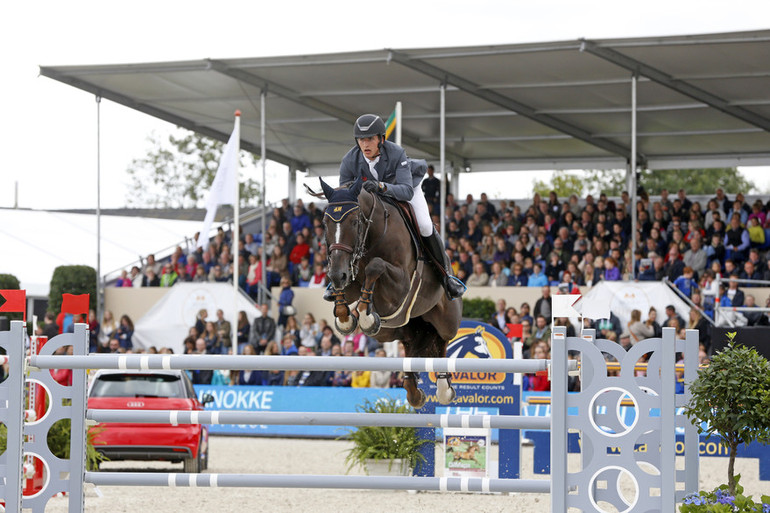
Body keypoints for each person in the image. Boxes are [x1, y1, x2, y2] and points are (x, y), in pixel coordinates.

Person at [337, 114, 465, 299]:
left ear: (381, 139)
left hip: (405, 188)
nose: (365, 145)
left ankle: (446, 276)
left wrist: (381, 186)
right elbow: (347, 196)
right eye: (361, 140)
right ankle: (337, 280)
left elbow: (406, 191)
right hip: (374, 200)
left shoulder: (396, 153)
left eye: (370, 139)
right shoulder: (349, 160)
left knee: (425, 225)